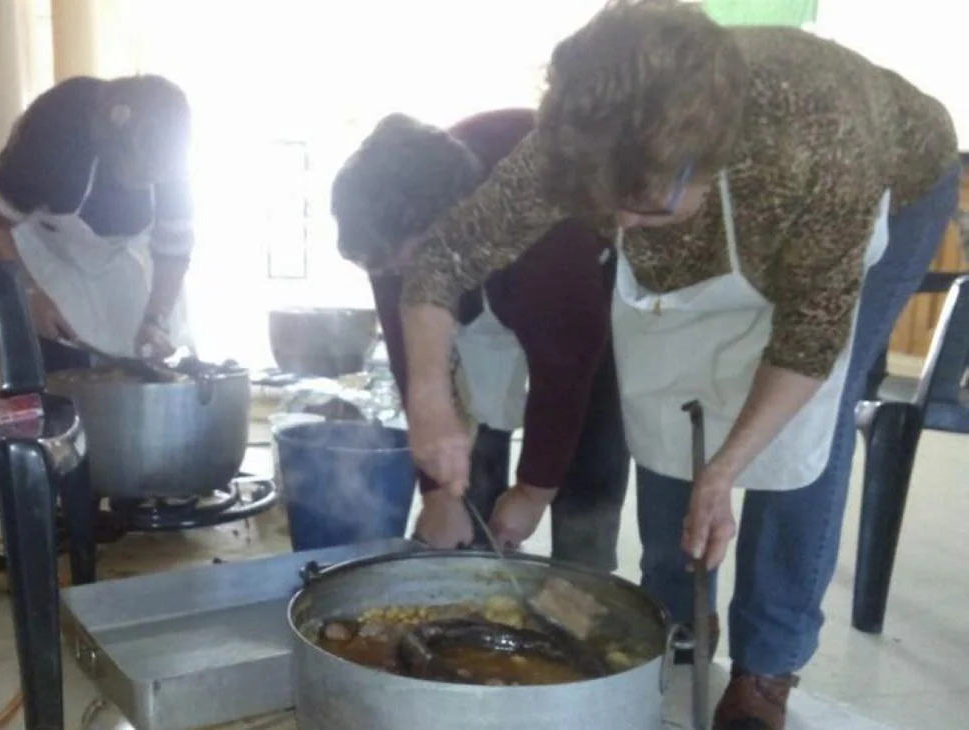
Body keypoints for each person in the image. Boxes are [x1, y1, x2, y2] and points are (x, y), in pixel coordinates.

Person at [395, 2, 959, 728]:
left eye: (641, 208)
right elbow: (443, 259)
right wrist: (430, 402)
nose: (620, 227)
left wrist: (723, 473)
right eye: (605, 207)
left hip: (895, 188)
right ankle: (677, 615)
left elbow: (807, 342)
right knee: (666, 409)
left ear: (710, 159)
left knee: (799, 446)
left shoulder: (817, 147)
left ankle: (767, 667)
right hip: (729, 204)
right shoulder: (583, 137)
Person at [331, 110, 630, 571]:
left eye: (394, 266)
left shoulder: (551, 244)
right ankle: (466, 572)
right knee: (468, 474)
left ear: (443, 230)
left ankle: (584, 580)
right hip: (479, 303)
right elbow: (415, 371)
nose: (389, 277)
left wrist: (533, 491)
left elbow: (566, 378)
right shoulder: (388, 233)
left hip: (578, 305)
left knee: (588, 451)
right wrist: (436, 495)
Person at [0, 73, 196, 372]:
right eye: (142, 173)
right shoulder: (54, 135)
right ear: (113, 146)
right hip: (42, 250)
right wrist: (28, 292)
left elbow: (173, 251)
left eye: (157, 176)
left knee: (150, 357)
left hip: (122, 258)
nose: (148, 183)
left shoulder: (170, 160)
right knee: (63, 362)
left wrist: (156, 320)